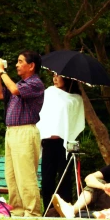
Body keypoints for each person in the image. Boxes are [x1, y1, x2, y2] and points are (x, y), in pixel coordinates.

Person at [0, 51, 45, 217]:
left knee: (25, 175)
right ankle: (17, 211)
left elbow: (14, 90)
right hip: (12, 133)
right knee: (12, 175)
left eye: (20, 61)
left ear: (31, 66)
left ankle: (33, 212)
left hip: (25, 132)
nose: (16, 64)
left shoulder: (35, 83)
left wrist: (2, 71)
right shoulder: (19, 84)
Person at [36, 74, 85, 212]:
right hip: (48, 141)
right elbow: (43, 113)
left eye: (59, 76)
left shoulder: (75, 98)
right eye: (53, 75)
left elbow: (76, 120)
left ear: (67, 78)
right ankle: (48, 209)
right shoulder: (49, 92)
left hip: (65, 142)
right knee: (47, 178)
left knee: (64, 177)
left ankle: (66, 209)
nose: (55, 78)